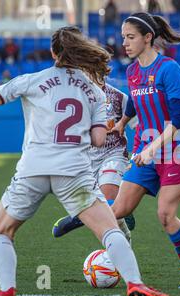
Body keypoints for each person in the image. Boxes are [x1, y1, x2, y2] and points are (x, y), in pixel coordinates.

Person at [0, 26, 171, 296]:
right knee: (110, 230)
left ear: (53, 52)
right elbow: (100, 140)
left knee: (2, 232)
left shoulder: (32, 79)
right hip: (74, 171)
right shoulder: (95, 91)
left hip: (33, 170)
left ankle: (6, 292)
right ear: (80, 51)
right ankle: (136, 284)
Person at [53, 13, 180, 290]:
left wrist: (151, 149)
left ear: (148, 37)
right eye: (123, 36)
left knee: (165, 214)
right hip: (144, 151)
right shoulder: (133, 72)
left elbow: (179, 121)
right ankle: (81, 217)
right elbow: (135, 102)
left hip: (175, 149)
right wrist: (123, 123)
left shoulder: (169, 69)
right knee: (119, 210)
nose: (124, 42)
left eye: (131, 37)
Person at [52, 82, 137, 241]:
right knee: (112, 218)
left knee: (106, 200)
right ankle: (123, 208)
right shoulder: (73, 96)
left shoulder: (118, 97)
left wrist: (141, 152)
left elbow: (138, 125)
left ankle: (77, 218)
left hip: (114, 154)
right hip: (85, 160)